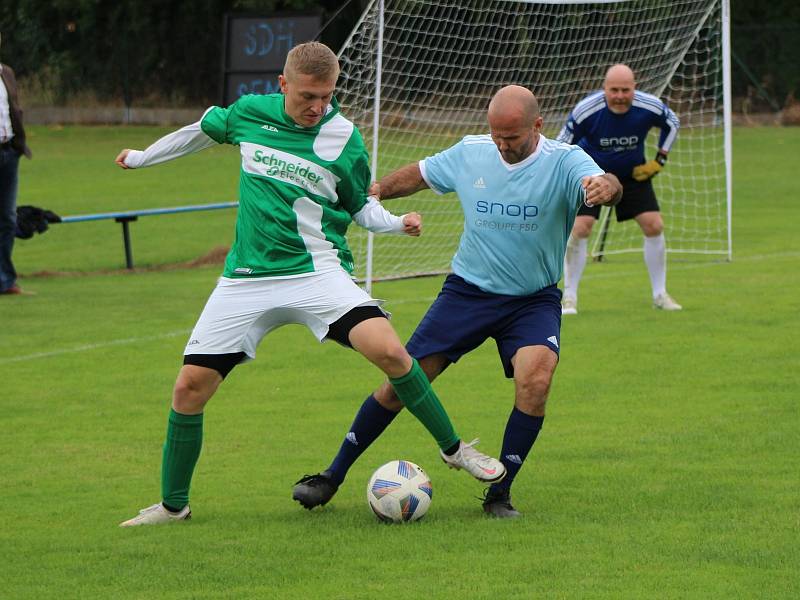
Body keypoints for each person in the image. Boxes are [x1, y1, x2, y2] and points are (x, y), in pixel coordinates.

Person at [115, 42, 504, 527]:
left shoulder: (344, 138)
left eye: (326, 96)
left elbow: (359, 204)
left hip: (317, 271)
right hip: (247, 278)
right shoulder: (250, 114)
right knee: (189, 387)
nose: (318, 107)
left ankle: (454, 450)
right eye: (307, 97)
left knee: (391, 352)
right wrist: (141, 157)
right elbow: (200, 131)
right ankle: (174, 507)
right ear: (282, 85)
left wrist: (395, 222)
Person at [292, 85, 622, 518]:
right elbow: (422, 173)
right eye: (496, 135)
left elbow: (604, 182)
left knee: (536, 380)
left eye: (513, 137)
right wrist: (374, 192)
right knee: (403, 382)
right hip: (467, 292)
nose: (503, 145)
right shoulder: (473, 151)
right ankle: (332, 477)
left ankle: (499, 494)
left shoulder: (564, 160)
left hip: (533, 300)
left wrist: (605, 187)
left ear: (537, 126)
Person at [557, 64, 682, 314]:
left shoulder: (649, 106)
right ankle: (569, 297)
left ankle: (660, 294)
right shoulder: (586, 110)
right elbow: (561, 144)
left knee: (654, 224)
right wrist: (571, 174)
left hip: (631, 175)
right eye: (614, 90)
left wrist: (659, 161)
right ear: (604, 89)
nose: (620, 96)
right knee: (581, 228)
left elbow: (673, 122)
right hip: (590, 176)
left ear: (634, 88)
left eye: (626, 90)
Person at [0, 33, 33, 296]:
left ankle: (5, 280)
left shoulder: (6, 72)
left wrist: (19, 145)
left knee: (8, 218)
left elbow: (14, 108)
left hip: (9, 152)